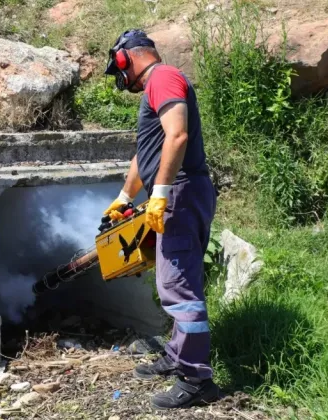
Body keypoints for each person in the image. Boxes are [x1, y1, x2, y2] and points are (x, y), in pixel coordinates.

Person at [101, 29, 220, 409]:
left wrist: (160, 196)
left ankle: (196, 379)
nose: (121, 80)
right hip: (175, 194)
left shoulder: (163, 77)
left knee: (178, 287)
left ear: (127, 59)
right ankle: (177, 353)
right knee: (175, 278)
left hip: (180, 194)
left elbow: (178, 137)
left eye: (118, 70)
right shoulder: (156, 86)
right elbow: (146, 153)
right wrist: (123, 199)